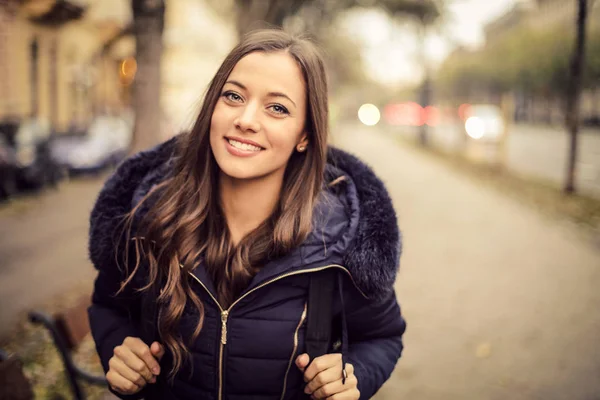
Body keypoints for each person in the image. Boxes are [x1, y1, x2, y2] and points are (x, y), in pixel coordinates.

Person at [88, 29, 406, 400]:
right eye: (234, 96)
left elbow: (382, 336)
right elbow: (108, 307)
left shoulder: (338, 242)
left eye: (277, 108)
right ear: (212, 109)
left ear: (305, 135)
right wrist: (120, 352)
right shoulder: (149, 218)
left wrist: (353, 379)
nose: (246, 119)